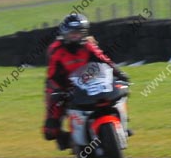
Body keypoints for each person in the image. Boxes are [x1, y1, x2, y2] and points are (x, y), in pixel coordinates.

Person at [43, 13, 129, 150]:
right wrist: (58, 92)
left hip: (89, 81)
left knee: (120, 90)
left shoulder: (88, 46)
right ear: (64, 33)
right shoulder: (56, 50)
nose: (75, 36)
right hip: (64, 84)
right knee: (51, 123)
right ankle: (63, 138)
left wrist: (119, 73)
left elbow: (104, 60)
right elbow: (52, 75)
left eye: (78, 33)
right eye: (72, 33)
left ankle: (124, 124)